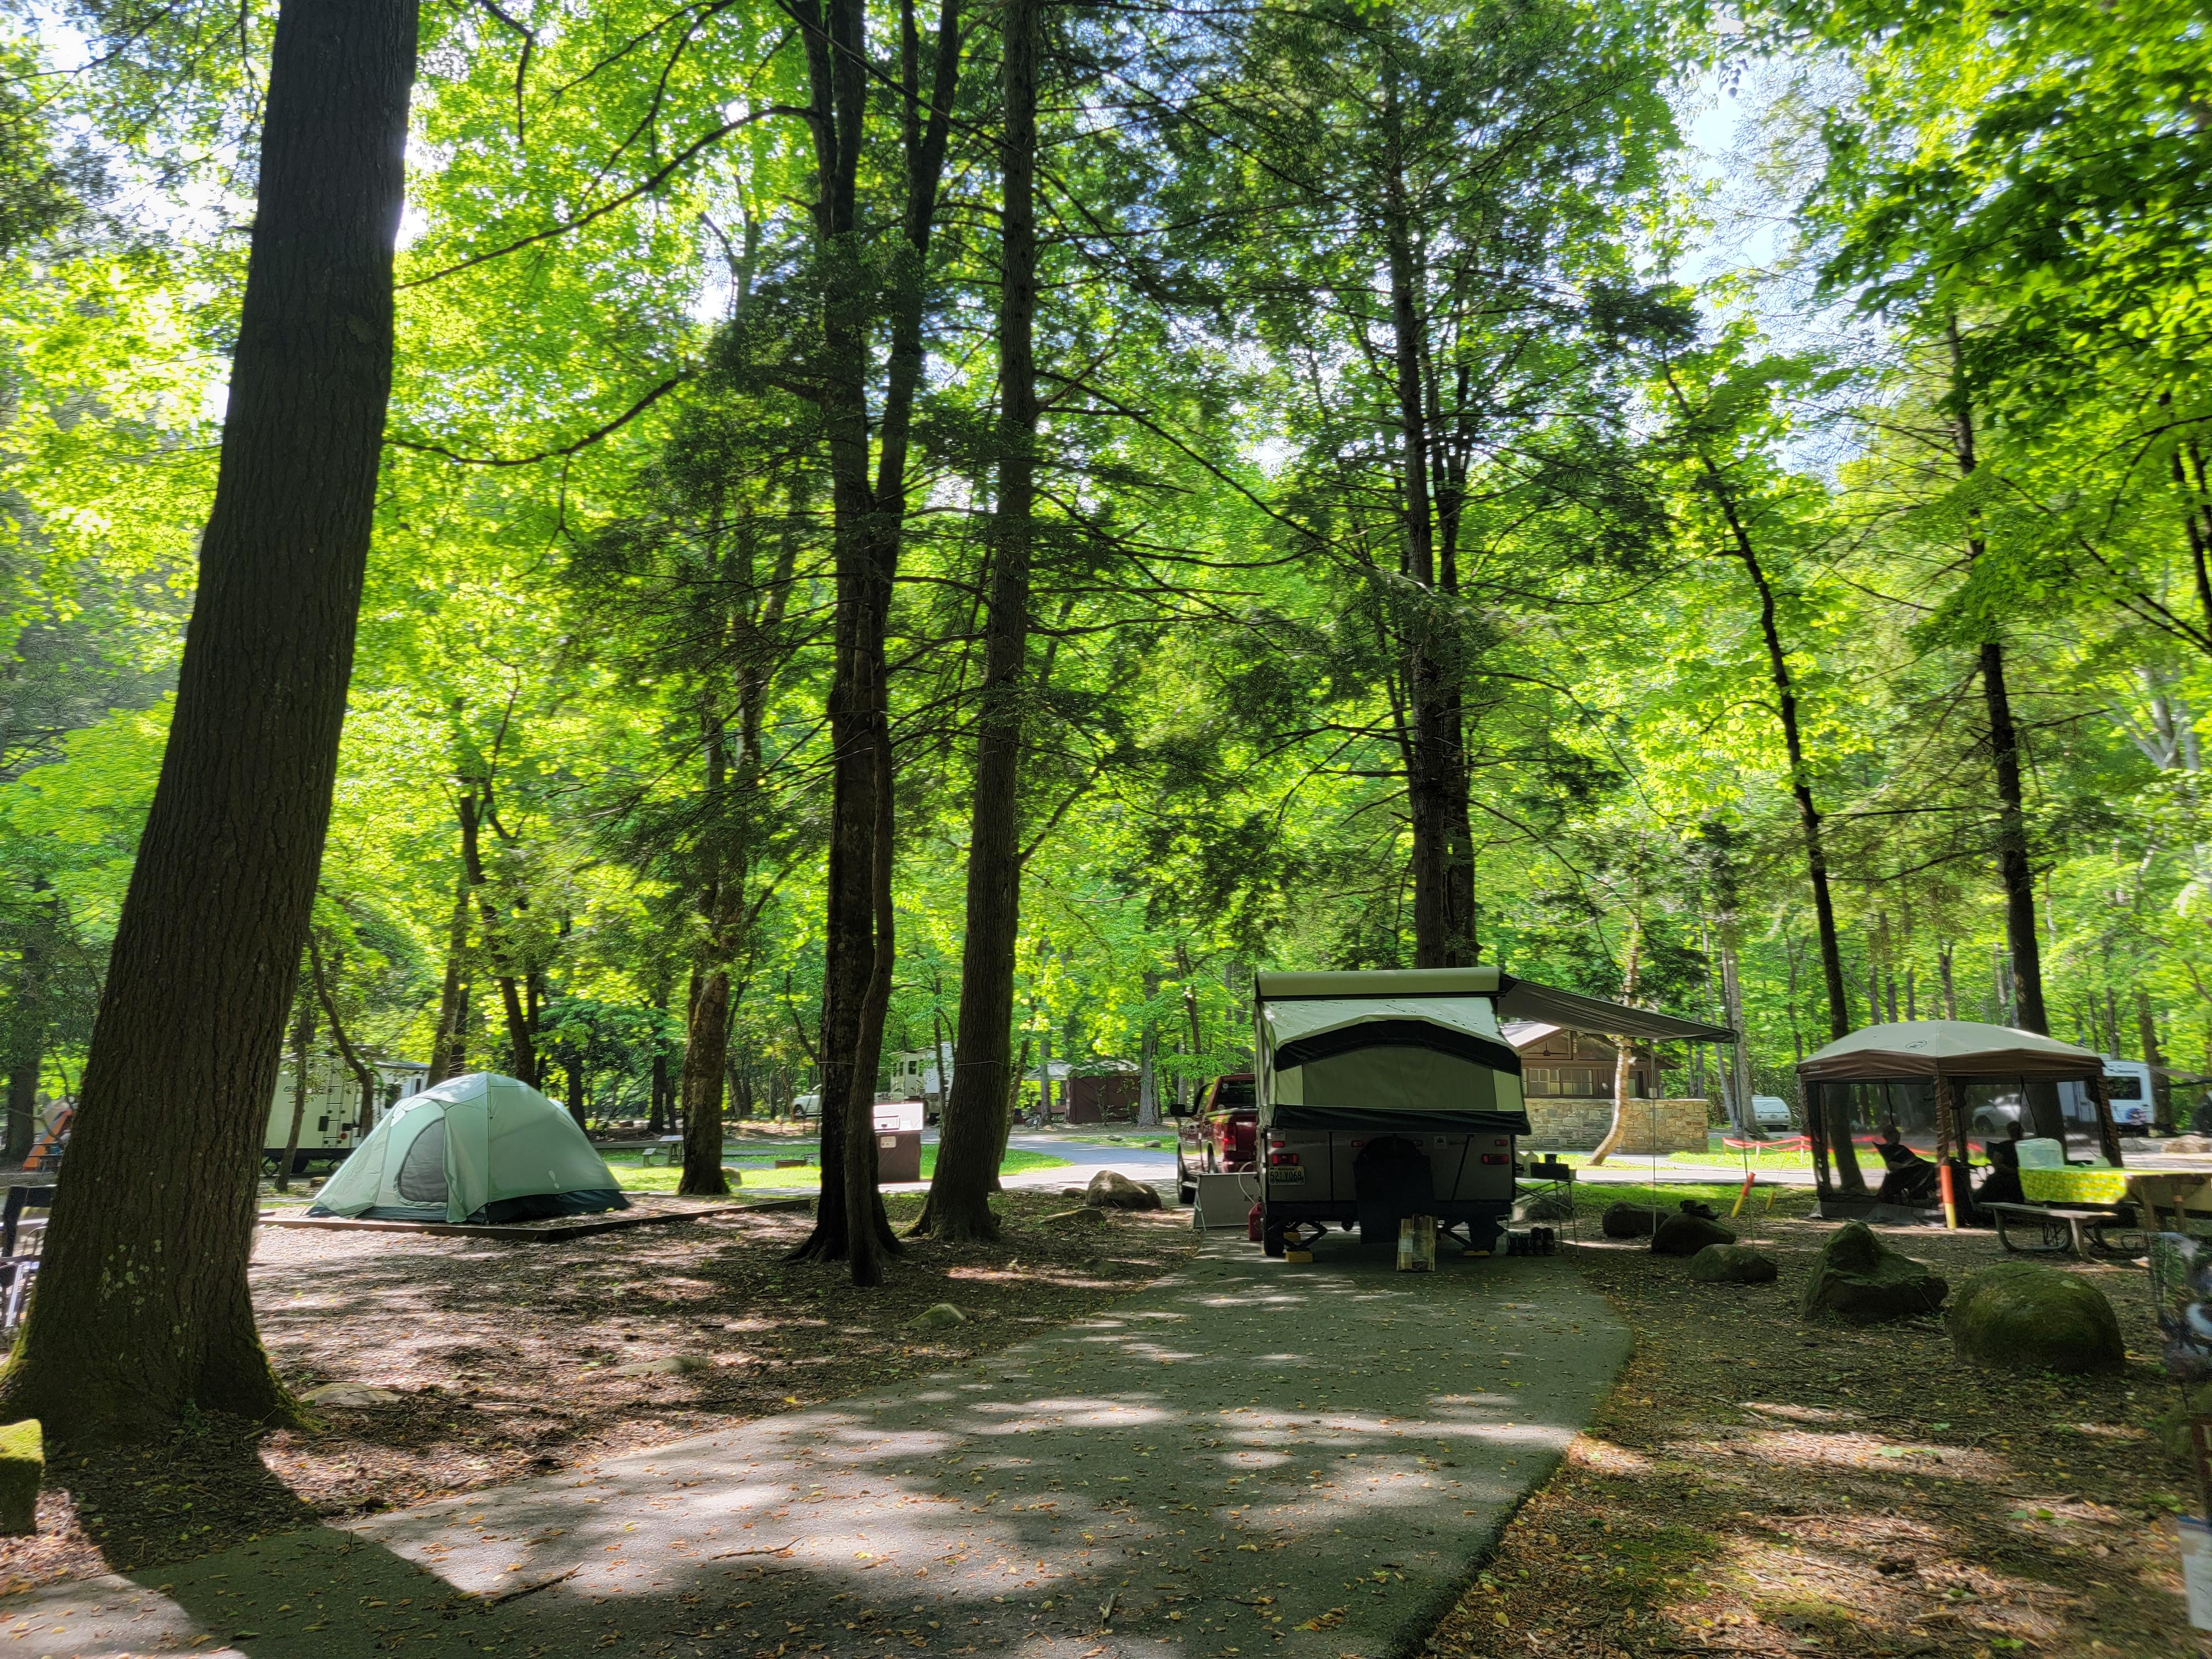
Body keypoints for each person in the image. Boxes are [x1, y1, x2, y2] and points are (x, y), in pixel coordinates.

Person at [1872, 1122, 1938, 1207]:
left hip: (1922, 1168)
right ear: (1885, 1136)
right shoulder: (1888, 1149)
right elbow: (1891, 1165)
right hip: (1912, 1173)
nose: (1896, 1136)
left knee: (1950, 1166)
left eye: (1897, 1133)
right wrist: (1910, 1166)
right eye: (1892, 1133)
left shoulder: (1901, 1148)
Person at [1975, 1120, 2026, 1209]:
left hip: (2020, 1176)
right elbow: (1997, 1164)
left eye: (2017, 1130)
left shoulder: (2027, 1146)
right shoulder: (2004, 1146)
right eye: (2014, 1130)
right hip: (2009, 1176)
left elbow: (1997, 1163)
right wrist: (2013, 1171)